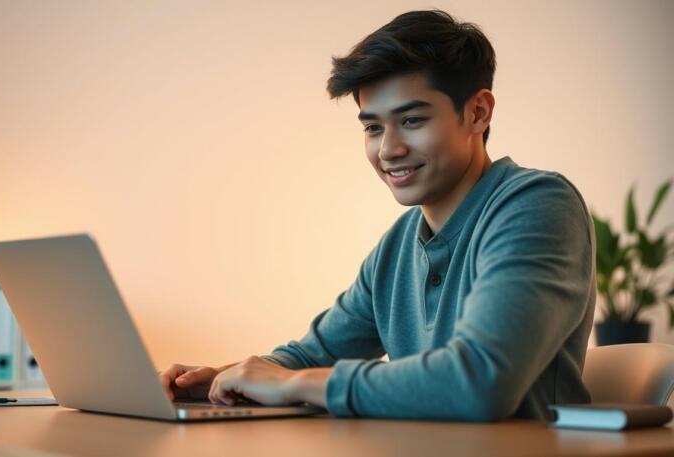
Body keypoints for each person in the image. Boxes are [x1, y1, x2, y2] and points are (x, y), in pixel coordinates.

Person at [158, 9, 595, 421]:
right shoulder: (400, 244)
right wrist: (220, 380)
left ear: (477, 112)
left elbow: (480, 382)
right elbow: (312, 356)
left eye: (411, 121)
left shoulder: (536, 204)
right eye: (372, 128)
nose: (388, 150)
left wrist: (292, 383)